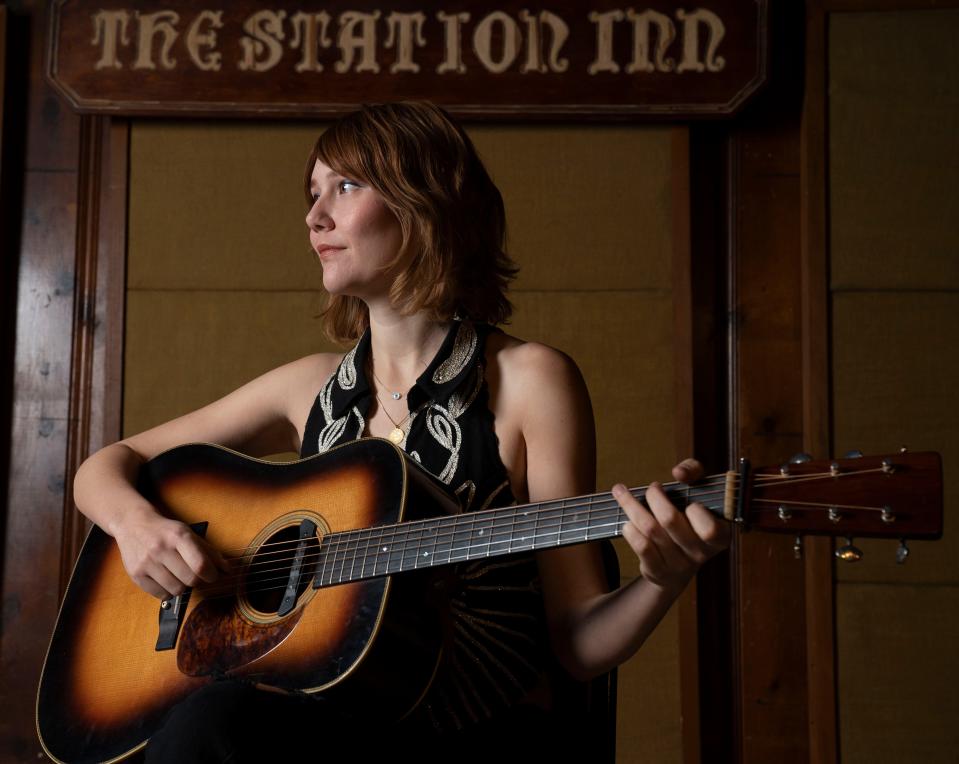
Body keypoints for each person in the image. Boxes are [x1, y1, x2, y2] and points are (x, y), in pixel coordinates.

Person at [73, 101, 730, 762]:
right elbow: (104, 466)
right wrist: (140, 528)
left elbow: (577, 644)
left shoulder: (530, 380)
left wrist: (661, 580)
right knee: (206, 723)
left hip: (475, 734)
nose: (314, 216)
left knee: (210, 728)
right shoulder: (307, 388)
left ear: (425, 203)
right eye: (313, 192)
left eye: (346, 187)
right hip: (328, 725)